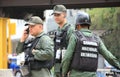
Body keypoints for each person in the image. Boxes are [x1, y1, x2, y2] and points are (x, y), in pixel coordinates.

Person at [62, 12, 120, 77]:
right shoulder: (96, 38)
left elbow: (67, 57)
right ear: (89, 25)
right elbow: (109, 57)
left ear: (77, 25)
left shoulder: (75, 36)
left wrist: (64, 73)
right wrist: (118, 65)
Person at [52, 5, 75, 77]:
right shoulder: (58, 31)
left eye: (58, 15)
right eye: (54, 15)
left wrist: (67, 70)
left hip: (67, 70)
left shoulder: (70, 30)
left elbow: (73, 52)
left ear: (65, 14)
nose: (56, 17)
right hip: (57, 69)